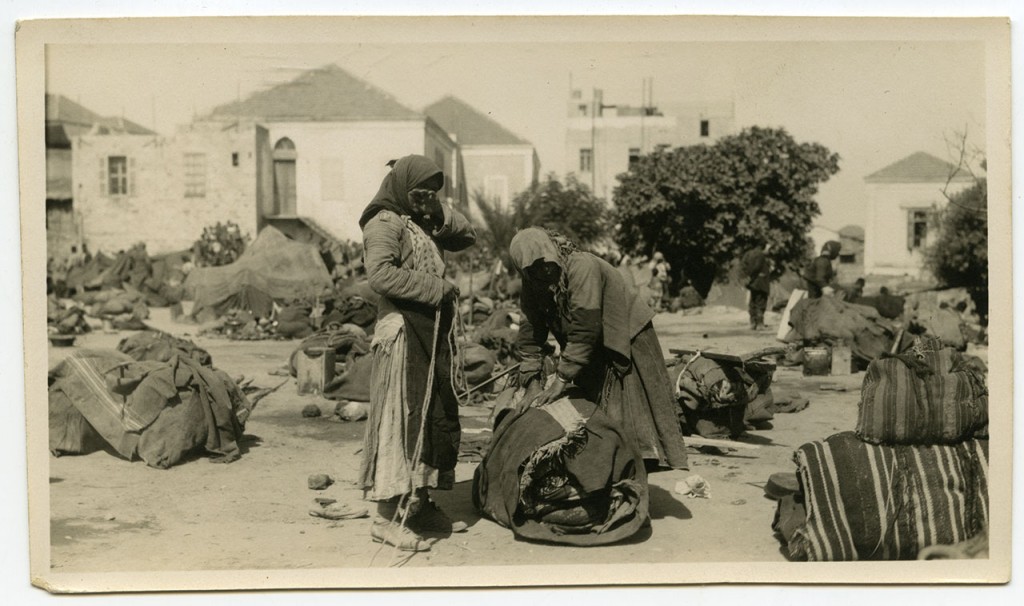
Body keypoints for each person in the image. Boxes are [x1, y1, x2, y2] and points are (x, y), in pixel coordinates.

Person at [357, 154, 476, 552]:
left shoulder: (420, 221)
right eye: (421, 189)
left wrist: (436, 209)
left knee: (430, 416)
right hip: (403, 335)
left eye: (434, 190)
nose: (427, 195)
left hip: (430, 332)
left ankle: (419, 502)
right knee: (402, 417)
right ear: (401, 185)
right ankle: (386, 517)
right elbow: (380, 275)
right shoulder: (385, 223)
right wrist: (434, 287)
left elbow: (466, 236)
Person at [509, 227, 688, 470]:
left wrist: (560, 379)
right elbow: (530, 334)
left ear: (552, 252)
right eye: (534, 269)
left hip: (627, 331)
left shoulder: (581, 266)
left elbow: (585, 327)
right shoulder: (533, 285)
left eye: (546, 263)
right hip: (590, 341)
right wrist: (532, 383)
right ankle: (615, 466)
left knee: (630, 408)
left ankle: (639, 465)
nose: (544, 271)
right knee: (598, 405)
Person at [741, 243, 773, 330]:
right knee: (760, 302)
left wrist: (747, 278)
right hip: (761, 282)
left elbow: (743, 266)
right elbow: (757, 267)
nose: (768, 250)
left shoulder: (747, 254)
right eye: (767, 248)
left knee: (753, 302)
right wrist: (753, 276)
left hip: (753, 283)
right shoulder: (760, 255)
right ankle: (760, 324)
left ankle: (753, 323)